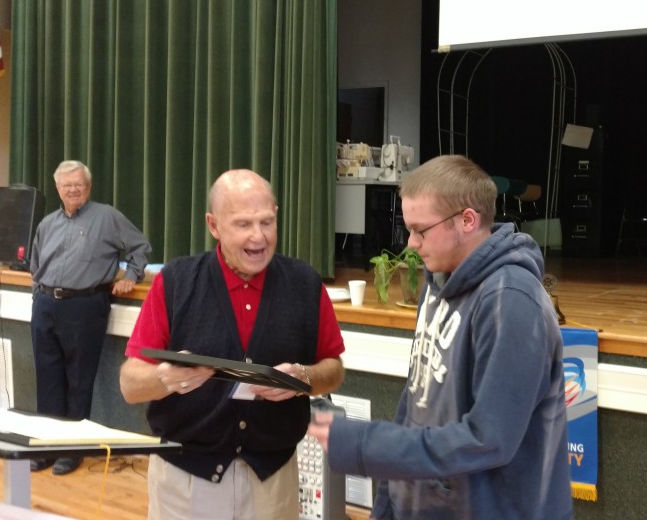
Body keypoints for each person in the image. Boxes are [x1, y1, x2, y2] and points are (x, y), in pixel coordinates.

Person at [307, 155, 573, 520]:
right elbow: (415, 401)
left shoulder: (512, 302)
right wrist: (387, 505)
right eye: (409, 230)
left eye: (421, 230)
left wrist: (366, 445)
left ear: (467, 220)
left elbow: (489, 439)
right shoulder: (438, 282)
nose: (411, 244)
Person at [119, 168, 345, 520]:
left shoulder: (304, 283)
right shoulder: (176, 282)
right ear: (214, 225)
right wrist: (165, 378)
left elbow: (334, 371)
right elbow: (129, 385)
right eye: (243, 224)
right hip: (184, 483)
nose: (259, 236)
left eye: (267, 222)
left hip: (273, 483)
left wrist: (301, 378)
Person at [29, 160, 152, 475]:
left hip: (85, 307)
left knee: (78, 382)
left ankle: (73, 449)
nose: (73, 190)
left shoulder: (107, 217)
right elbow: (35, 265)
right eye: (67, 185)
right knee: (47, 380)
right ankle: (46, 446)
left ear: (88, 187)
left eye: (78, 184)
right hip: (45, 306)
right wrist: (38, 297)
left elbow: (140, 248)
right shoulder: (46, 224)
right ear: (57, 188)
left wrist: (131, 276)